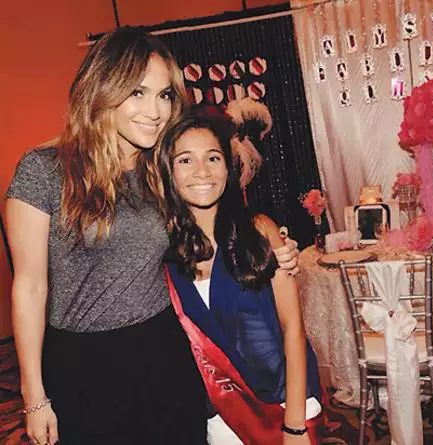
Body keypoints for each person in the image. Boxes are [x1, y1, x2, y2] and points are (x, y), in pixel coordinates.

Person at [4, 27, 298, 445]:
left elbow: (217, 217)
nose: (156, 110)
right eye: (138, 93)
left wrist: (273, 245)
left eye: (164, 95)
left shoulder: (161, 168)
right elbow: (30, 287)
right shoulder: (44, 170)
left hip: (164, 350)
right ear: (103, 89)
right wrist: (33, 395)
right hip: (82, 363)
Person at [153, 111, 323, 444]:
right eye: (185, 160)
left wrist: (295, 424)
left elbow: (293, 328)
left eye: (212, 158)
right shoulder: (163, 252)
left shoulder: (259, 230)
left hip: (286, 401)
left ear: (228, 167)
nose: (202, 171)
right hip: (221, 415)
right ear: (168, 172)